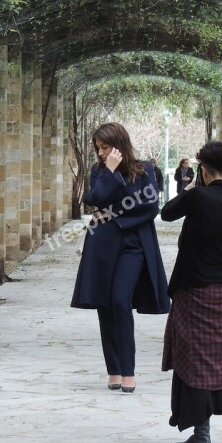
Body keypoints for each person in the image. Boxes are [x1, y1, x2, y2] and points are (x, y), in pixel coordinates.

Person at [160, 140, 222, 443]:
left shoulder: (198, 196)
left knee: (195, 359)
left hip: (195, 290)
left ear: (202, 169)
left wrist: (191, 188)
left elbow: (167, 213)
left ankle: (201, 434)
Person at [71, 123, 170, 394]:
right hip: (103, 244)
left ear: (118, 144)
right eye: (98, 148)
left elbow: (150, 207)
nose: (101, 152)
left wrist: (114, 216)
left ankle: (128, 371)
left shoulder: (144, 170)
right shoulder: (100, 171)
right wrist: (111, 171)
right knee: (105, 304)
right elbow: (94, 198)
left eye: (105, 147)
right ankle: (113, 371)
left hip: (133, 243)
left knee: (119, 300)